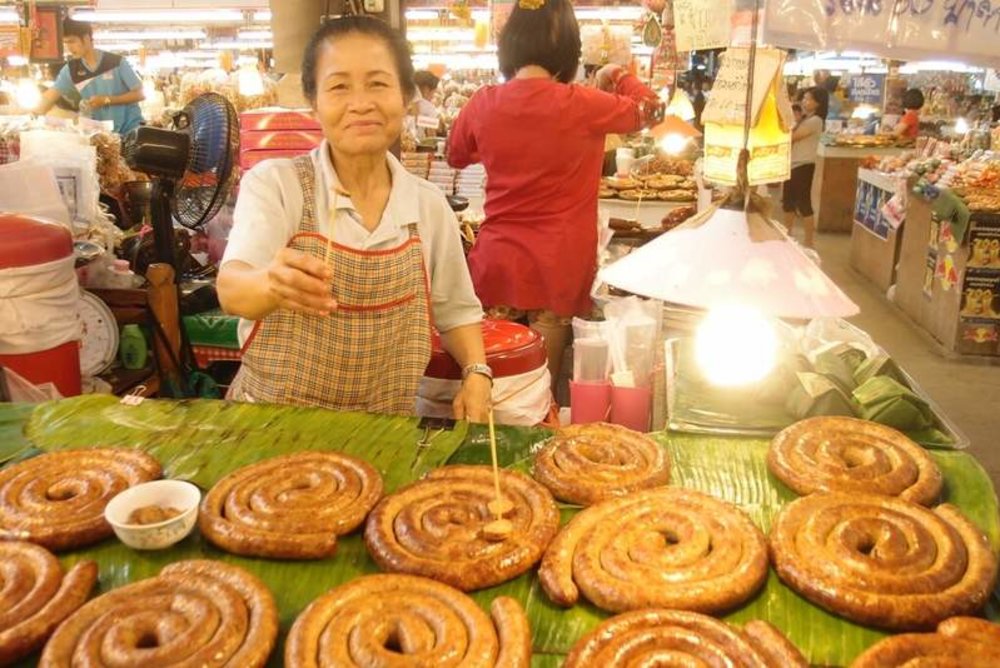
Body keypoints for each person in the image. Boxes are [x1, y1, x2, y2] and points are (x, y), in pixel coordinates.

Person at [217, 16, 490, 421]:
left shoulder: (428, 206)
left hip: (384, 431)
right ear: (314, 101)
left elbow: (457, 312)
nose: (360, 103)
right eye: (339, 86)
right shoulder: (276, 185)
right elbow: (232, 290)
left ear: (405, 96)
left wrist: (477, 371)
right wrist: (272, 284)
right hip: (270, 424)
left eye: (378, 83)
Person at [447, 0, 660, 391]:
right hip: (560, 263)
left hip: (498, 260)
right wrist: (616, 74)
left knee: (496, 383)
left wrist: (500, 149)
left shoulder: (483, 102)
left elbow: (455, 155)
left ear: (509, 45)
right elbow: (652, 109)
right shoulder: (584, 104)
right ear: (568, 50)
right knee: (540, 384)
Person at [34, 18, 144, 134]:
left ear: (86, 38)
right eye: (66, 43)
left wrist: (107, 100)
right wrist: (28, 111)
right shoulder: (71, 70)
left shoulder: (116, 62)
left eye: (72, 41)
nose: (69, 48)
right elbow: (50, 96)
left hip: (130, 131)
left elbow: (140, 93)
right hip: (103, 134)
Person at [783, 87, 827, 249]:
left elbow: (793, 137)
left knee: (803, 203)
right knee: (788, 202)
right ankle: (787, 235)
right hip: (792, 164)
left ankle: (809, 242)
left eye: (808, 99)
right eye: (804, 98)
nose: (804, 101)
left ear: (818, 103)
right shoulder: (805, 118)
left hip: (803, 165)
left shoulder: (815, 121)